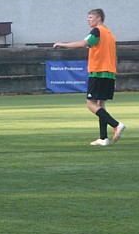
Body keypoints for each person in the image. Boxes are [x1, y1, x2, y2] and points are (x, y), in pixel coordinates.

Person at [53, 8, 125, 146]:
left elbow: (83, 44)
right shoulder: (109, 33)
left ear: (99, 18)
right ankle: (103, 138)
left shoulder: (97, 31)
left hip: (98, 71)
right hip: (109, 73)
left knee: (90, 104)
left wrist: (63, 44)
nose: (88, 20)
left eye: (91, 17)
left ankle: (116, 124)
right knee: (100, 105)